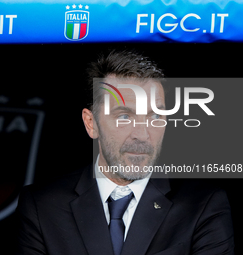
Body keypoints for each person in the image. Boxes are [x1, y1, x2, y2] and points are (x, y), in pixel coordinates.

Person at [15, 50, 234, 255]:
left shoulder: (203, 204)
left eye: (155, 117)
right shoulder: (42, 206)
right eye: (124, 116)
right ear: (91, 124)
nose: (142, 134)